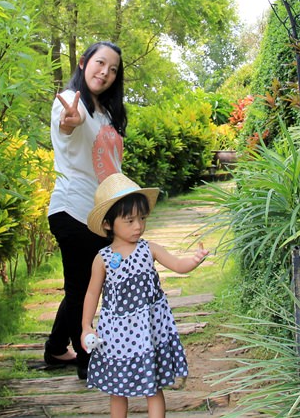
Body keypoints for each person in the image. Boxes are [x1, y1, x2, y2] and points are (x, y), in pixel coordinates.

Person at [80, 173, 209, 418]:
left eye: (141, 218)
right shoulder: (103, 259)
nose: (138, 226)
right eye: (129, 220)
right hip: (116, 333)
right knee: (117, 390)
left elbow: (178, 265)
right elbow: (92, 293)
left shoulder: (149, 249)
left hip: (149, 330)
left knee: (154, 386)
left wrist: (194, 259)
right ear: (108, 224)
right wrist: (86, 325)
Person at [45, 41, 127, 379]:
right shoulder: (69, 103)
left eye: (112, 69)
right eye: (99, 63)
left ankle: (55, 347)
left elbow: (110, 167)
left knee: (84, 281)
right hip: (71, 208)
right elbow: (67, 127)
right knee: (82, 285)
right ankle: (86, 358)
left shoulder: (107, 113)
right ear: (83, 63)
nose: (105, 72)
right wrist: (70, 120)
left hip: (98, 213)